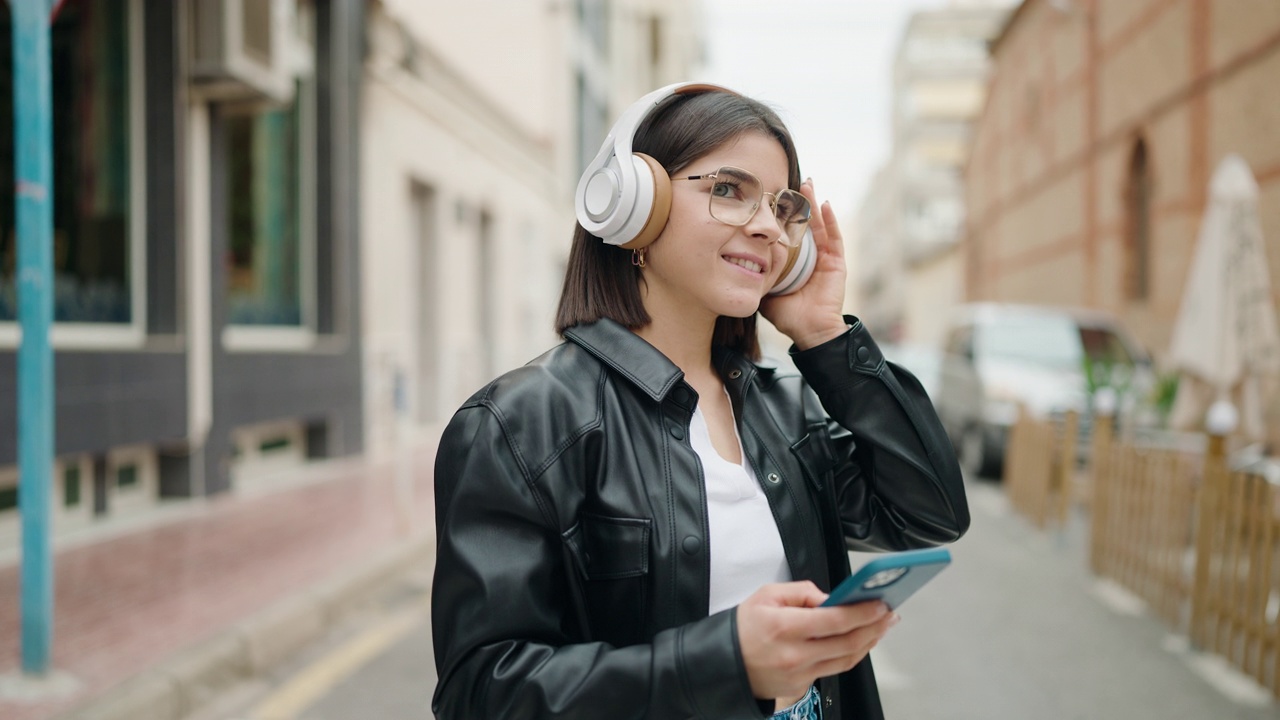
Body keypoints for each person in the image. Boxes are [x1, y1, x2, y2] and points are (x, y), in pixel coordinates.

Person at [431, 82, 969, 720]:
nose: (768, 227)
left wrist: (826, 337)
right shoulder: (520, 424)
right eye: (728, 190)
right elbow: (482, 694)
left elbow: (931, 514)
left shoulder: (787, 411)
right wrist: (727, 662)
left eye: (781, 205)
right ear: (633, 208)